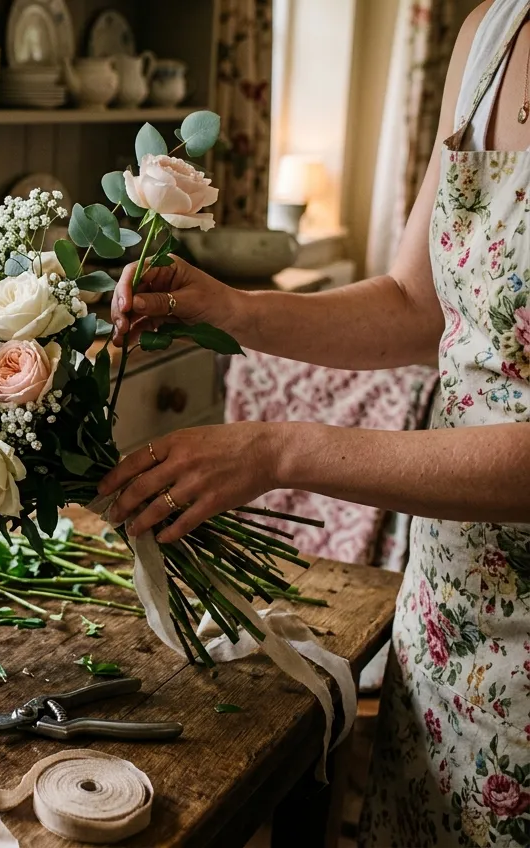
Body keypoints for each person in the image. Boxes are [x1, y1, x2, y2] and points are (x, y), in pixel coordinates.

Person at [96, 1, 530, 844]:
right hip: (448, 620)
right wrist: (234, 309)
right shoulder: (488, 36)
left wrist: (284, 447)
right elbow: (414, 304)